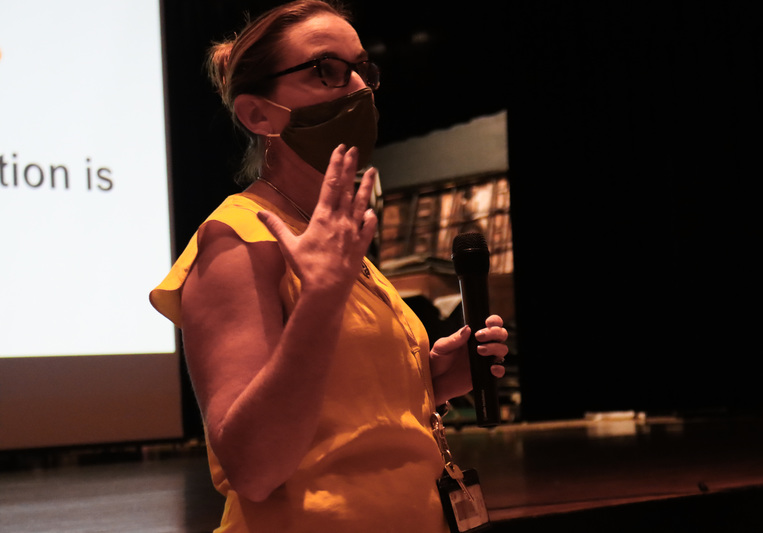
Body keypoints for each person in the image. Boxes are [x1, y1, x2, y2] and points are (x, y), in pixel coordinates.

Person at [150, 1, 509, 531]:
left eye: (363, 68)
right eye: (327, 70)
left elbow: (337, 406)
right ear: (258, 114)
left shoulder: (338, 238)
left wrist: (431, 381)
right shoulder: (237, 240)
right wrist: (318, 300)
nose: (360, 87)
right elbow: (252, 468)